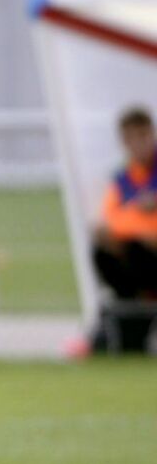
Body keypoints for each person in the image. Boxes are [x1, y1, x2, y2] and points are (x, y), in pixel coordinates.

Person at [90, 107, 157, 352]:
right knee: (104, 250)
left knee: (136, 249)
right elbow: (108, 222)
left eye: (143, 136)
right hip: (136, 254)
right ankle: (129, 321)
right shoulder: (123, 178)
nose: (138, 144)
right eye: (131, 138)